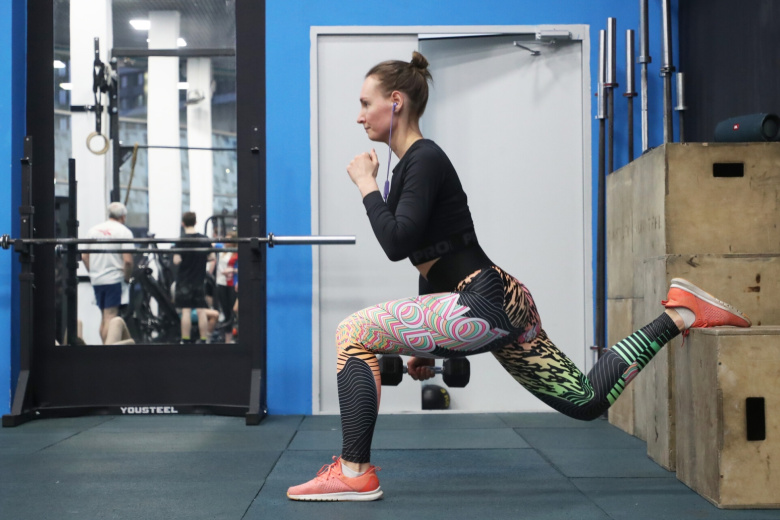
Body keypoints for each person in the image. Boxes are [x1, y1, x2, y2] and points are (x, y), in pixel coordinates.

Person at [286, 51, 752, 502]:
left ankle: (354, 473)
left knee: (352, 332)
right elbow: (433, 255)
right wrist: (425, 349)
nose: (359, 116)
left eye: (365, 103)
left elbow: (395, 243)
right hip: (500, 299)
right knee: (586, 400)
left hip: (483, 300)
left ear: (395, 102)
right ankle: (680, 314)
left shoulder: (424, 158)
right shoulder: (411, 165)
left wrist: (365, 184)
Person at [81, 202, 134, 344]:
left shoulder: (93, 230)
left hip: (97, 280)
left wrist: (94, 272)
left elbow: (84, 256)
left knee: (104, 317)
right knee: (110, 316)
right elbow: (128, 261)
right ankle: (107, 351)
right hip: (114, 279)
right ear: (123, 217)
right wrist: (127, 278)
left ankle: (103, 349)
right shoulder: (124, 232)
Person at [173, 212, 214, 343]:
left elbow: (176, 260)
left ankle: (185, 340)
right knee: (201, 310)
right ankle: (203, 340)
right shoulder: (204, 239)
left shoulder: (181, 240)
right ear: (196, 222)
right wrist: (200, 259)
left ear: (183, 223)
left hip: (184, 280)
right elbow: (212, 257)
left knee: (186, 310)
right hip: (199, 279)